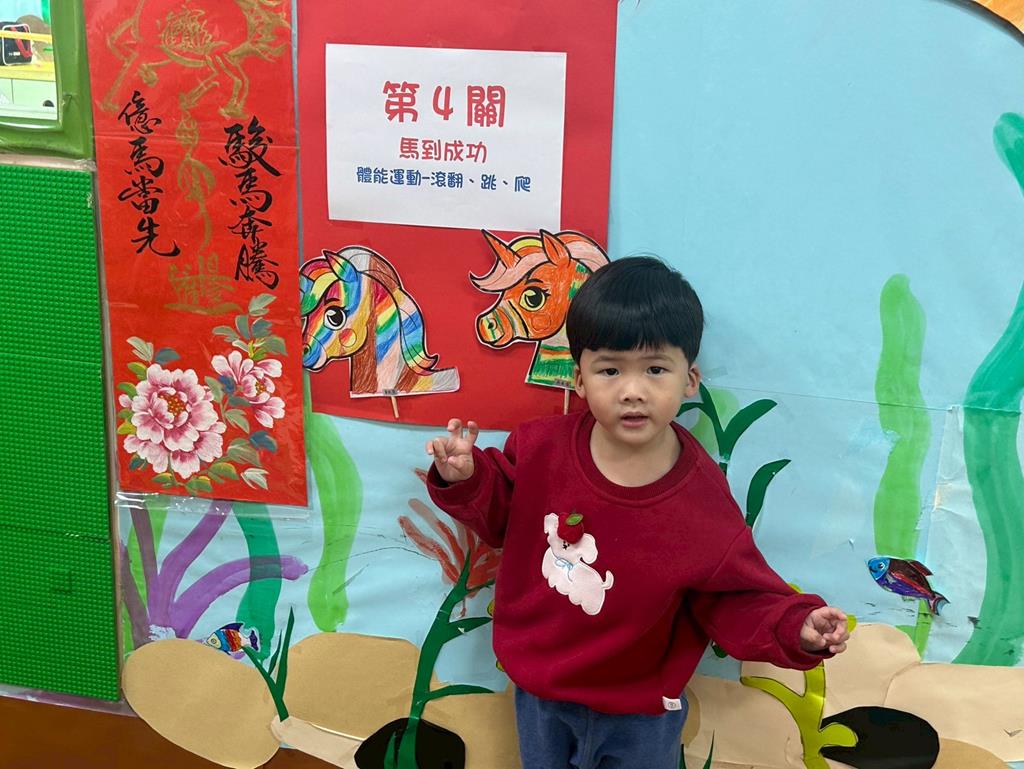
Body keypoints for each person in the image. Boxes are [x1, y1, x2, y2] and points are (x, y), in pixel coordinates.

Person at [425, 256, 849, 769]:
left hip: (641, 713)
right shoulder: (539, 448)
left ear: (690, 379)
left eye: (655, 369)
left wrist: (795, 626)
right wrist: (466, 478)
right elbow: (501, 519)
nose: (632, 390)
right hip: (541, 694)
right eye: (610, 370)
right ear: (579, 379)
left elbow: (733, 597)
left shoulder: (700, 498)